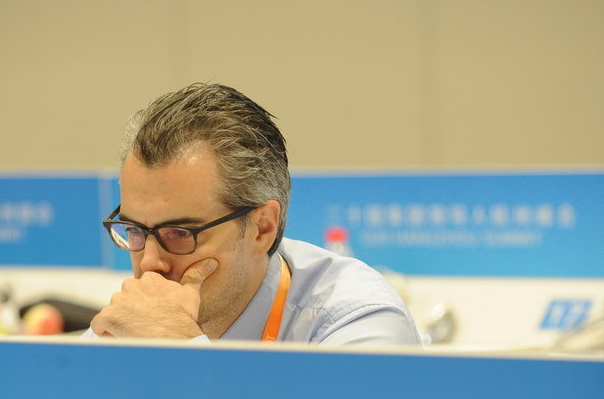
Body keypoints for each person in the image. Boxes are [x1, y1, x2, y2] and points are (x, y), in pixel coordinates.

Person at [86, 83, 420, 346]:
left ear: (262, 229)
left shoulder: (356, 320)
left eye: (180, 233)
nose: (149, 263)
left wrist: (177, 345)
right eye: (134, 230)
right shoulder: (128, 327)